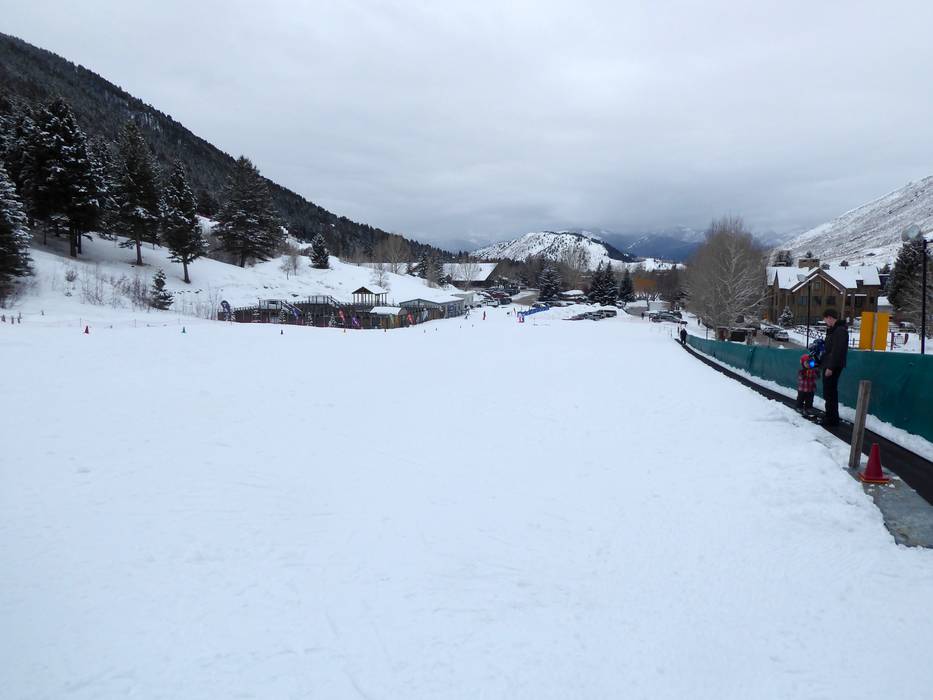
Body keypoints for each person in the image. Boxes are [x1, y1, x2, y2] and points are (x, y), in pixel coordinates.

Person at [819, 309, 848, 426]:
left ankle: (831, 419)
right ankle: (830, 415)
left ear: (830, 318)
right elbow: (830, 348)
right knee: (828, 391)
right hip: (829, 364)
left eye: (825, 319)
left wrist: (830, 367)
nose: (825, 321)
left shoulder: (839, 331)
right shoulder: (833, 330)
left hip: (833, 366)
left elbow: (837, 350)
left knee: (830, 392)